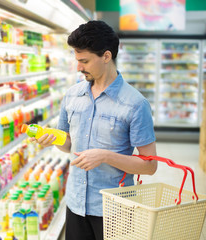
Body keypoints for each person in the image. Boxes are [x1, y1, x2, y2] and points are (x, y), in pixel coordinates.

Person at [30, 20, 157, 240]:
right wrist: (53, 139)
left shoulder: (135, 104)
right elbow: (68, 145)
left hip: (114, 207)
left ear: (106, 56)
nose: (79, 67)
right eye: (77, 60)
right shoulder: (72, 95)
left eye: (85, 61)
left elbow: (150, 165)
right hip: (76, 203)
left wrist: (104, 156)